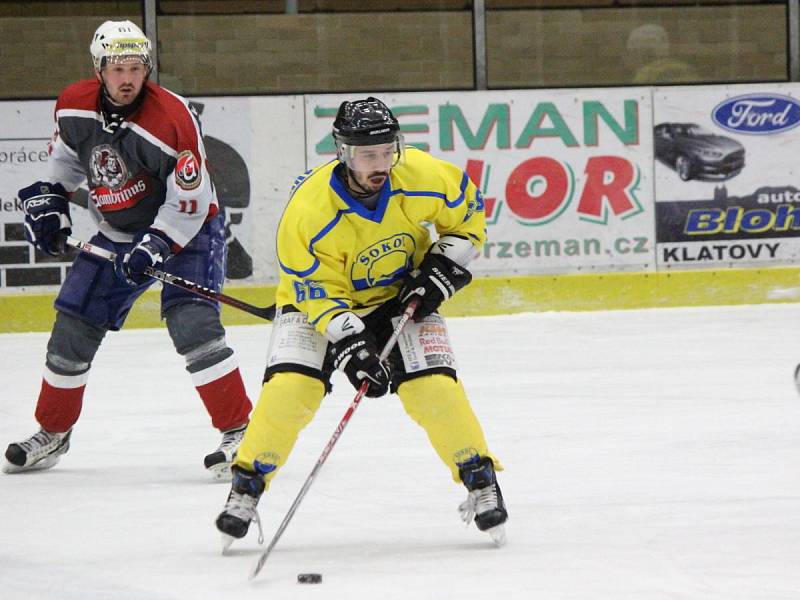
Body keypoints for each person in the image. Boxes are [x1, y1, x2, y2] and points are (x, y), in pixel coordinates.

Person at [214, 97, 508, 549]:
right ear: (344, 153)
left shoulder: (424, 176)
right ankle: (246, 489)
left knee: (434, 390)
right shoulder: (308, 211)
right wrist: (353, 343)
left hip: (397, 299)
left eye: (388, 150)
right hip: (316, 306)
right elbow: (315, 292)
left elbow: (470, 216)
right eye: (368, 154)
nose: (381, 163)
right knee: (291, 391)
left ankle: (480, 479)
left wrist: (443, 269)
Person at [3, 20, 252, 480]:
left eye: (136, 67)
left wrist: (155, 245)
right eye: (117, 67)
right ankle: (53, 432)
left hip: (189, 231)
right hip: (119, 231)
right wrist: (52, 203)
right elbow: (65, 165)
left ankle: (240, 431)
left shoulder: (173, 118)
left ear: (147, 68)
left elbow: (190, 202)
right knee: (72, 328)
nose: (127, 78)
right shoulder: (73, 106)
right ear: (99, 69)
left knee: (193, 323)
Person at [625, 23, 698, 85]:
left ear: (644, 52)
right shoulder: (686, 69)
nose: (628, 58)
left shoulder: (646, 75)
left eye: (632, 52)